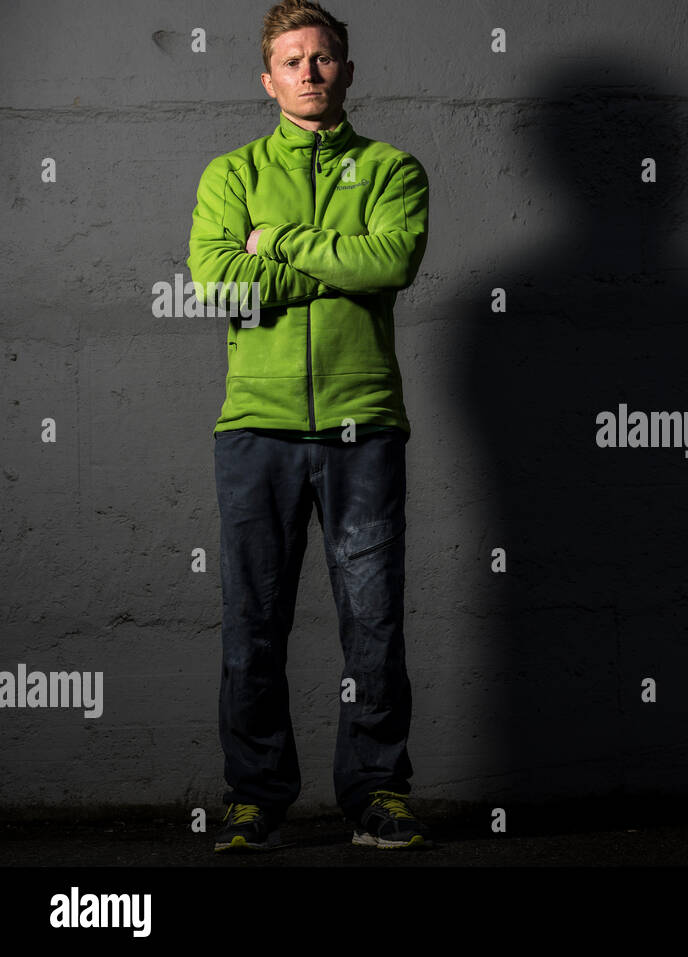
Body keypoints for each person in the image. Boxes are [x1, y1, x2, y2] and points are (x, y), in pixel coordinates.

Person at [187, 0, 430, 851]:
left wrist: (278, 242)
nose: (310, 72)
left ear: (348, 71)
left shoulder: (394, 169)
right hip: (256, 428)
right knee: (252, 621)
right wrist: (332, 260)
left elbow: (390, 261)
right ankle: (255, 797)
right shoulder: (230, 174)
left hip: (366, 428)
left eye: (324, 58)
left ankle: (377, 792)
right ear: (268, 79)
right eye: (293, 60)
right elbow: (222, 289)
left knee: (373, 619)